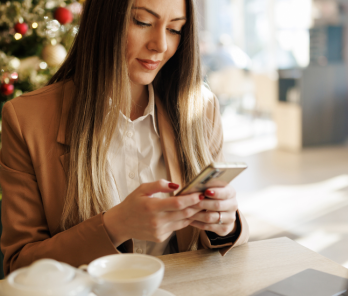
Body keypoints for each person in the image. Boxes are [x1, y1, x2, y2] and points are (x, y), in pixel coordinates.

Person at [0, 0, 249, 276]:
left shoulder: (200, 109)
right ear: (104, 20)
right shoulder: (27, 119)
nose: (161, 45)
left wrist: (225, 224)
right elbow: (20, 265)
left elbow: (222, 244)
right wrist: (114, 226)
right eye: (142, 22)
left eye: (175, 29)